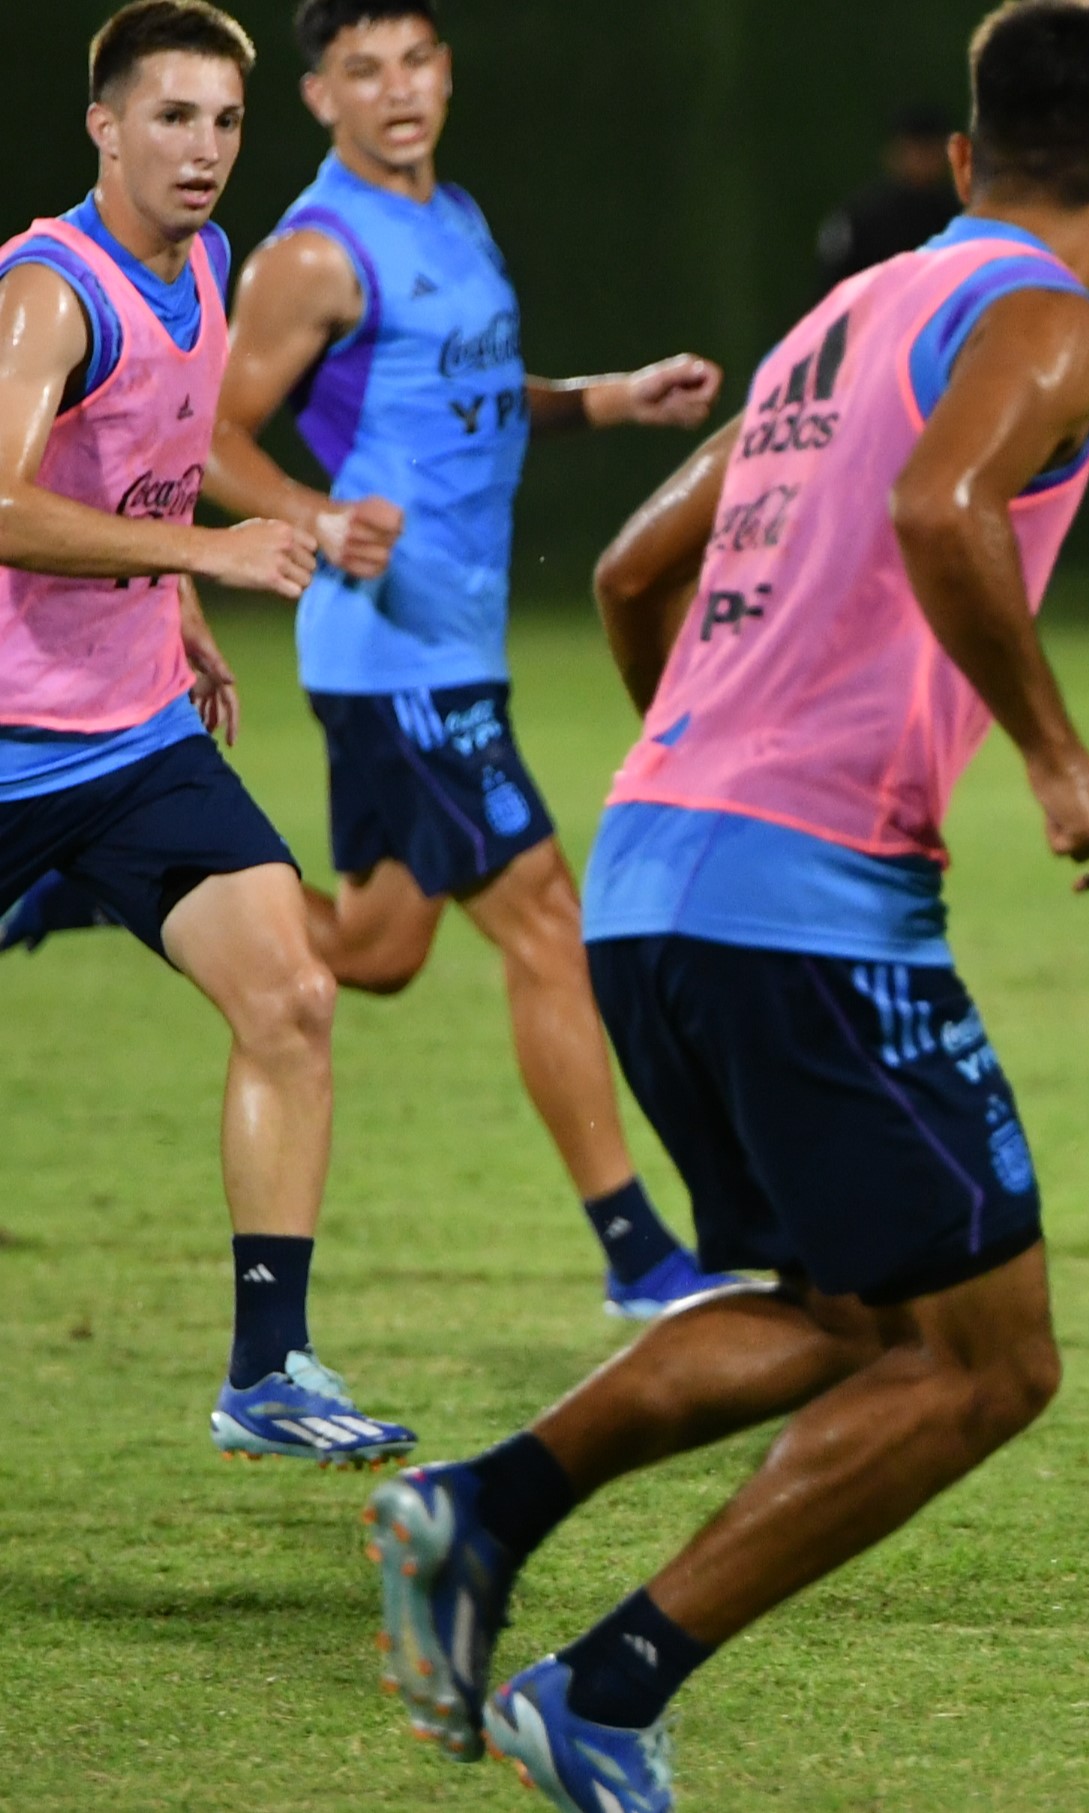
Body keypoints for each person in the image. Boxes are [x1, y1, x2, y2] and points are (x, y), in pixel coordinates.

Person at [357, 4, 1089, 1803]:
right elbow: (947, 504)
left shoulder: (839, 320)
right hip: (802, 899)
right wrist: (1052, 751)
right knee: (991, 1362)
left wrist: (724, 757)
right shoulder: (1053, 317)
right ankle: (608, 1687)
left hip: (656, 875)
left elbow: (638, 564)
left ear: (962, 162)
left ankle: (474, 1509)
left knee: (851, 1315)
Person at [196, 0, 733, 1318]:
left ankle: (118, 885)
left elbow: (476, 401)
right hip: (395, 656)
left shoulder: (456, 219)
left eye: (417, 61)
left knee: (376, 953)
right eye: (362, 70)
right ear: (318, 96)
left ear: (445, 71)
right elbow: (206, 436)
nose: (398, 90)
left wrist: (609, 399)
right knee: (549, 919)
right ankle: (634, 1256)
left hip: (451, 648)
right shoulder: (312, 255)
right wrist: (316, 518)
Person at [0, 0, 415, 1465]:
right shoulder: (52, 291)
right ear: (104, 125)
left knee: (292, 996)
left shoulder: (215, 262)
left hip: (130, 744)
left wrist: (176, 616)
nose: (204, 148)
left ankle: (270, 1368)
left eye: (227, 121)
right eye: (172, 116)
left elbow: (145, 473)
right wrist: (214, 559)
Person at [815, 102, 962, 295]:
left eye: (928, 149)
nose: (921, 159)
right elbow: (834, 289)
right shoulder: (862, 217)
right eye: (914, 148)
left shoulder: (957, 216)